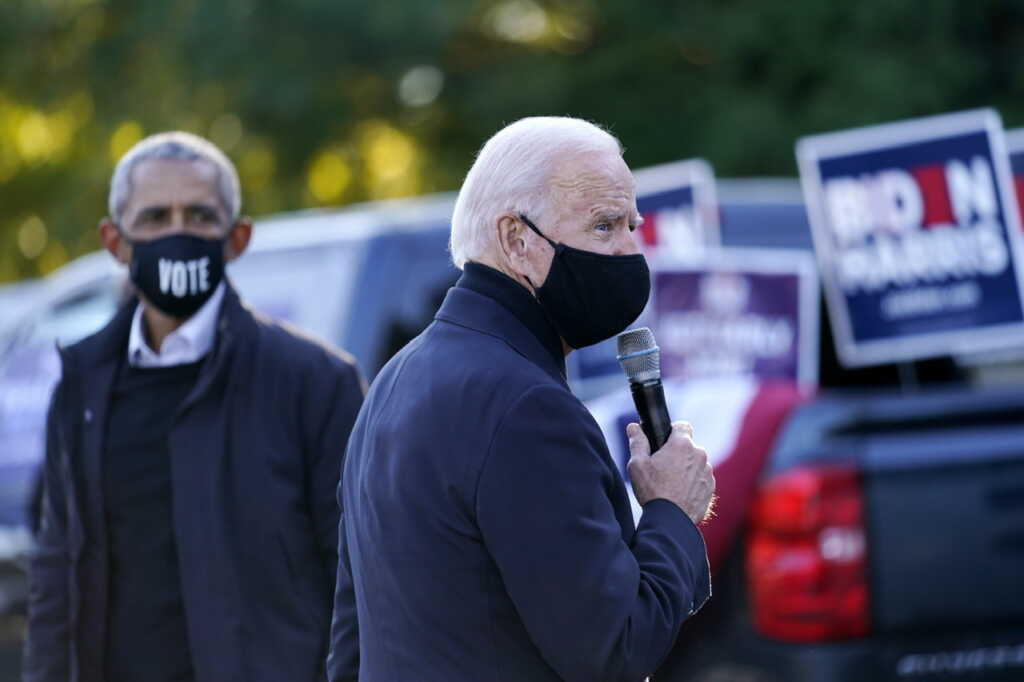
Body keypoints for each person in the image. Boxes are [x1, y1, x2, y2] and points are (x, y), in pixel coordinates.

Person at [328, 117, 715, 682]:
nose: (631, 251)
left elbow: (351, 643)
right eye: (604, 227)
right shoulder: (525, 407)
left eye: (633, 225)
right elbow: (615, 647)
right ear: (516, 240)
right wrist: (671, 511)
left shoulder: (394, 380)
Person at [23, 131, 365, 682]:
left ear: (237, 238)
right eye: (156, 217)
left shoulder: (316, 382)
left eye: (200, 216)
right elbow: (58, 571)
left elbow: (358, 581)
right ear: (116, 241)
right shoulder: (82, 386)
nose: (178, 233)